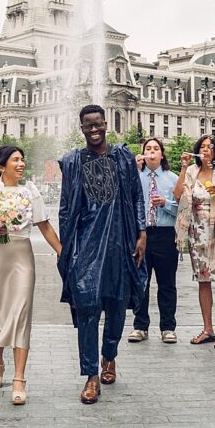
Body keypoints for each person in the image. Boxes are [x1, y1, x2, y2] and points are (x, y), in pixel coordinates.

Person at [58, 104, 147, 405]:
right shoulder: (72, 162)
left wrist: (142, 233)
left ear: (105, 124)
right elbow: (66, 208)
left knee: (118, 307)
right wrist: (66, 249)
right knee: (88, 310)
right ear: (81, 127)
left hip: (120, 243)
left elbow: (136, 196)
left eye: (98, 124)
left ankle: (110, 355)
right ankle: (90, 375)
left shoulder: (122, 158)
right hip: (87, 246)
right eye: (88, 125)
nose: (94, 129)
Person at [0, 145, 62, 405]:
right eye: (16, 160)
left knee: (21, 312)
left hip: (22, 255)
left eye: (22, 159)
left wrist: (61, 251)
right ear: (2, 166)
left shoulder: (30, 190)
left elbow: (44, 225)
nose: (21, 164)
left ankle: (20, 377)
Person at [174, 134, 215, 350]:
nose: (206, 149)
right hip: (197, 234)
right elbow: (178, 197)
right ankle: (208, 328)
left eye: (211, 147)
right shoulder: (192, 172)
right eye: (202, 146)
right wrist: (183, 168)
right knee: (203, 281)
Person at [128, 137, 180, 344]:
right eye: (148, 148)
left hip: (165, 234)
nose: (151, 152)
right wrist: (131, 167)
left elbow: (182, 210)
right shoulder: (134, 177)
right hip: (140, 234)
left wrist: (166, 203)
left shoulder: (173, 178)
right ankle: (140, 326)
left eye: (156, 148)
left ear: (162, 154)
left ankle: (168, 327)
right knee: (141, 282)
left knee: (167, 283)